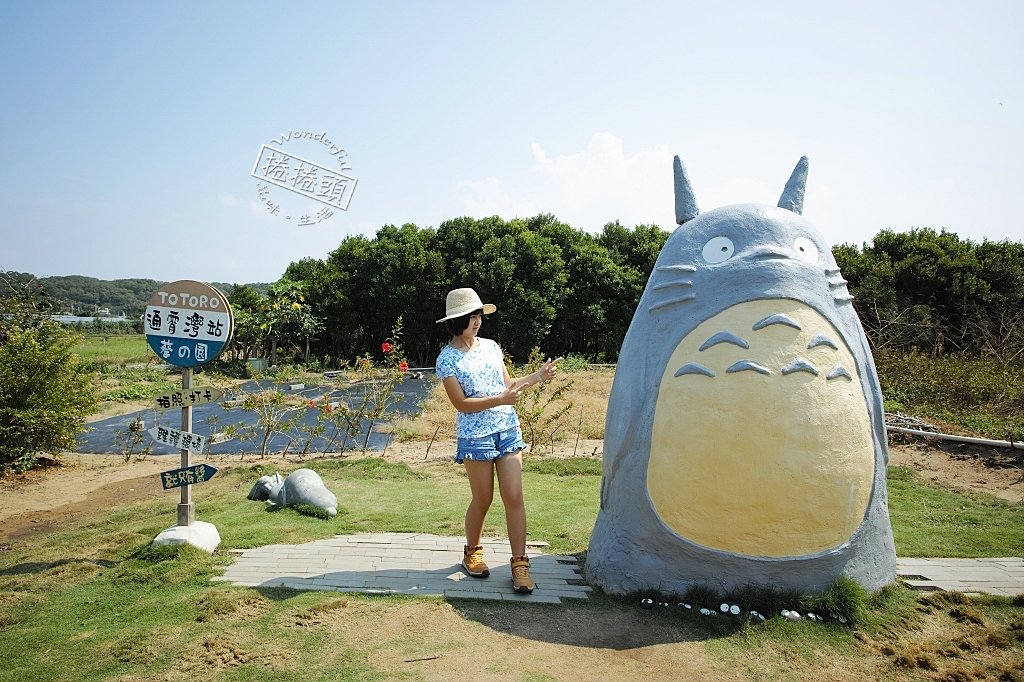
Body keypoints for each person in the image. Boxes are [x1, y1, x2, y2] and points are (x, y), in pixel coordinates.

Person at [434, 287, 559, 593]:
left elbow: (508, 386)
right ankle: (472, 552)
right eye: (470, 317)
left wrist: (537, 377)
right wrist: (500, 399)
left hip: (507, 430)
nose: (477, 321)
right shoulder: (447, 360)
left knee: (514, 496)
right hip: (475, 436)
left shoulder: (491, 347)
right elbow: (461, 404)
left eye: (478, 315)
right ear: (456, 321)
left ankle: (520, 563)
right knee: (483, 498)